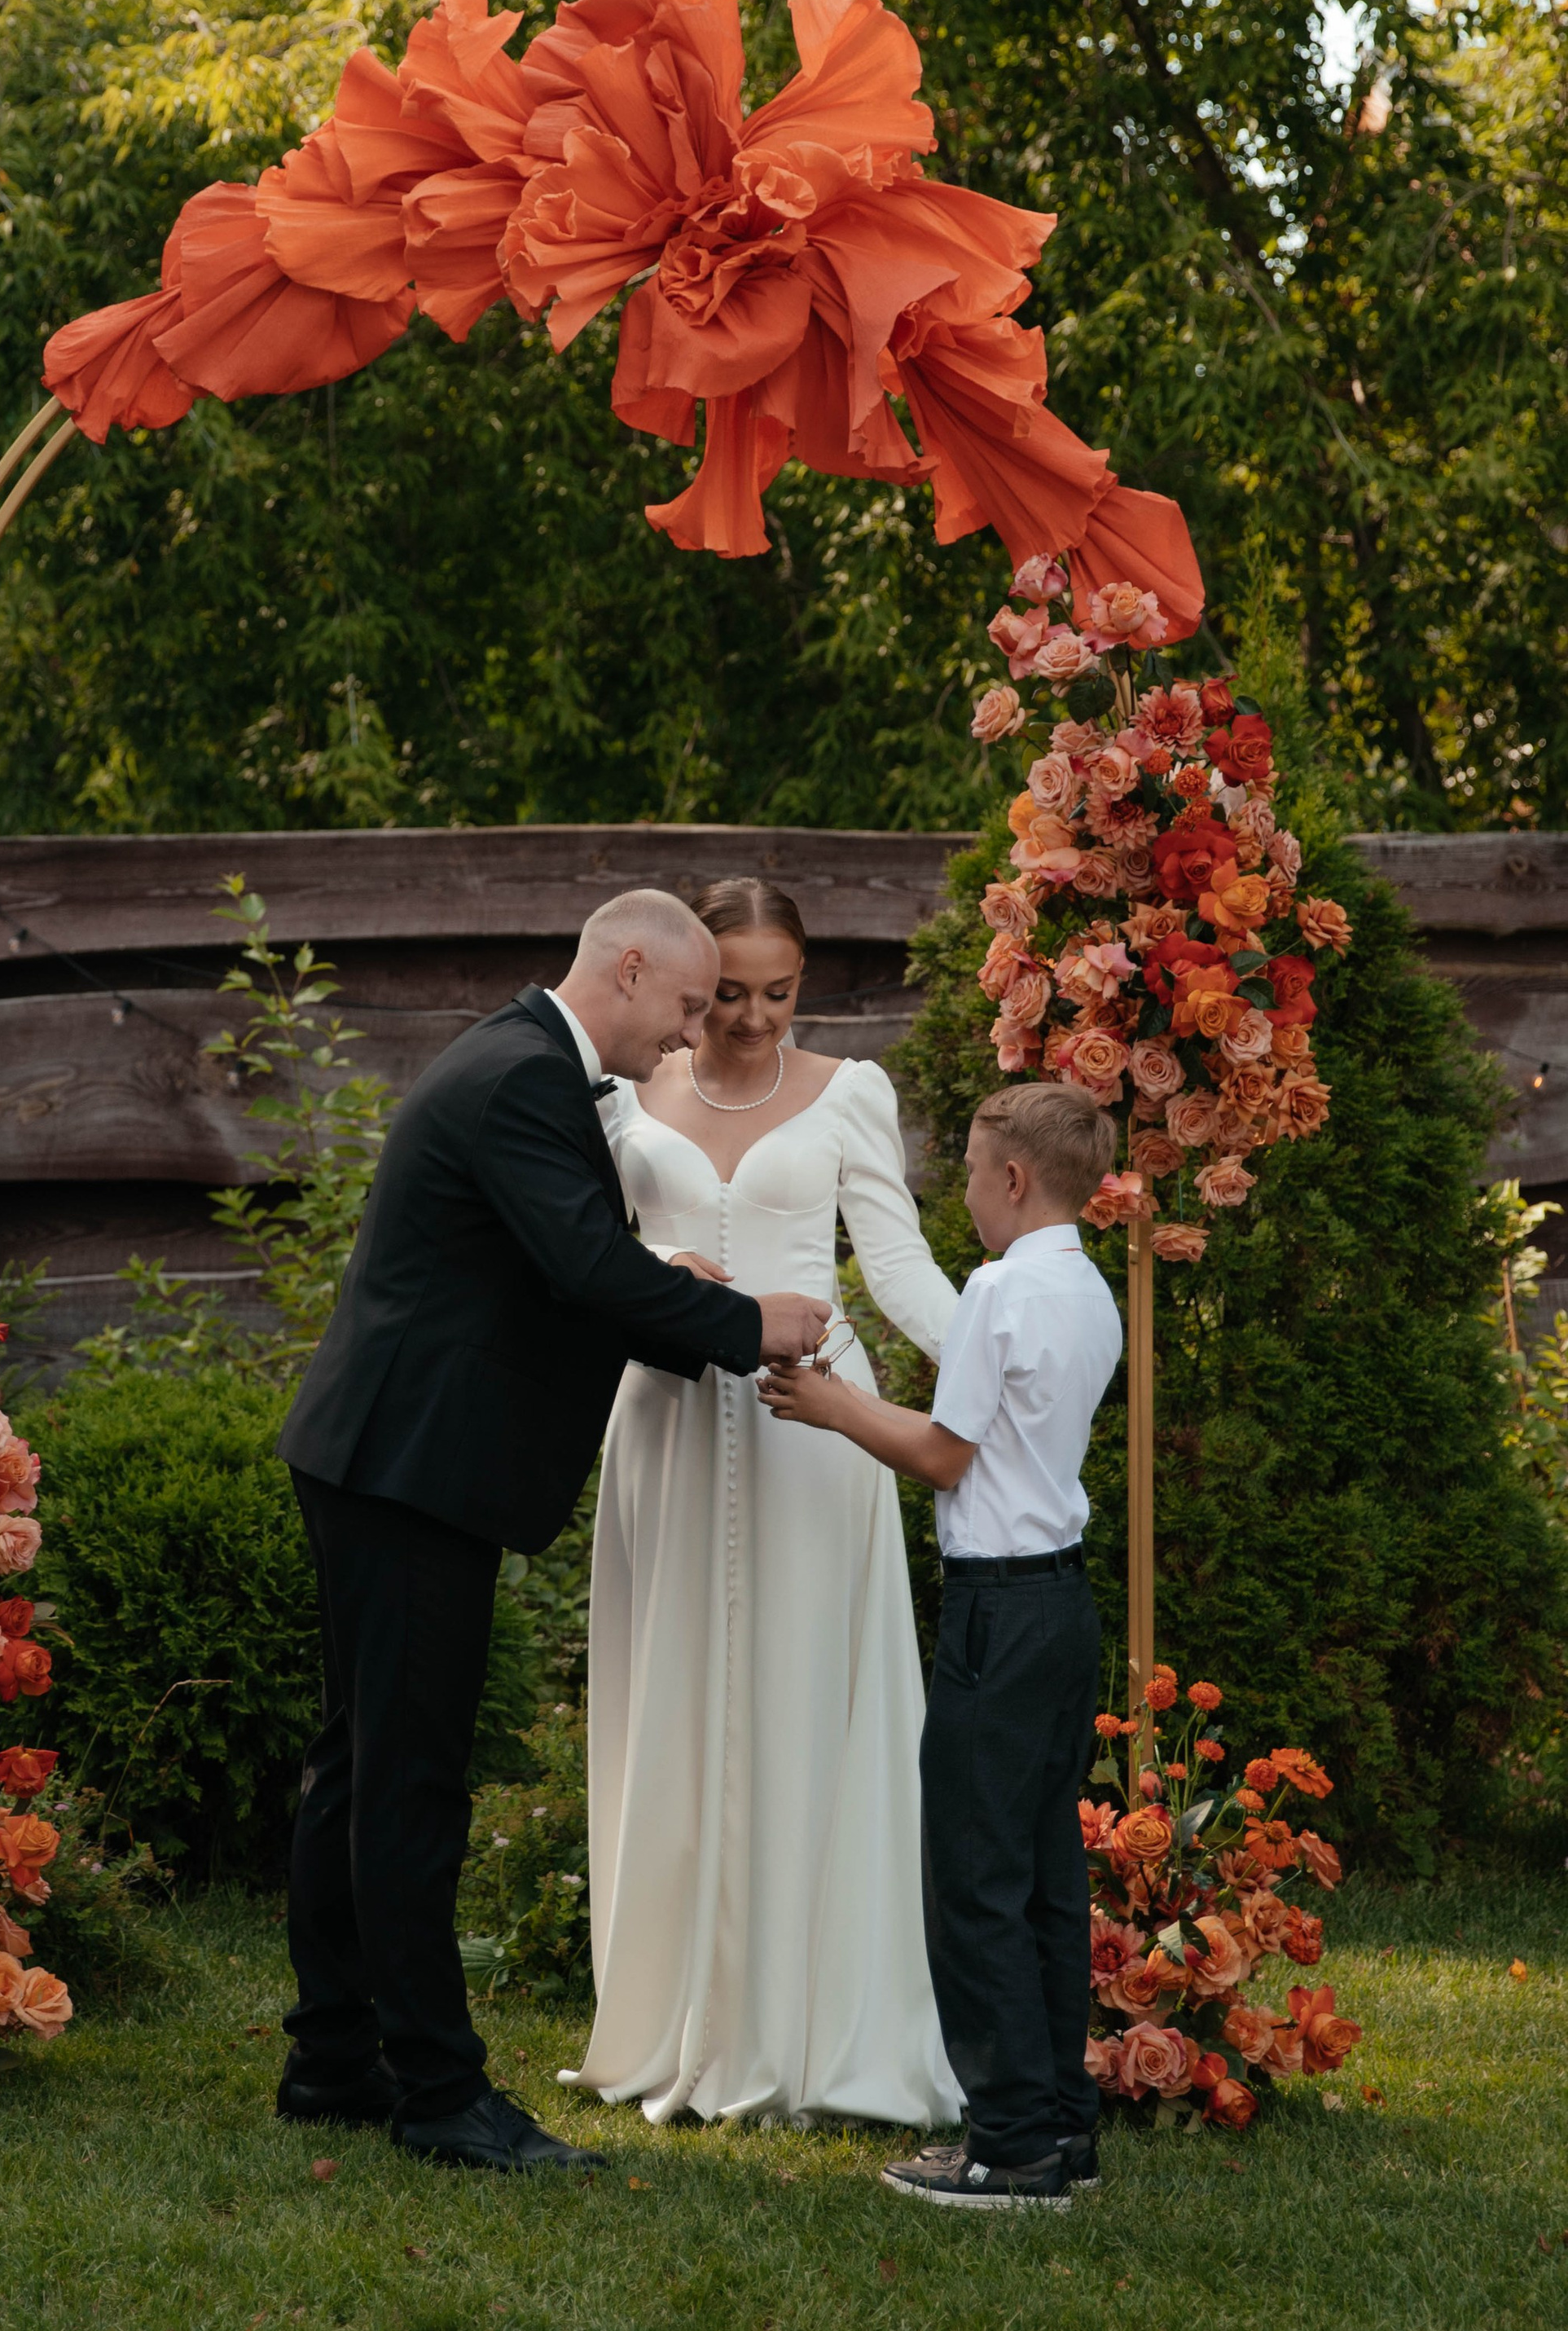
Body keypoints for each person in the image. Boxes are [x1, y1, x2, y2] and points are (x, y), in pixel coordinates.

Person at [274, 888, 833, 2174]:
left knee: (358, 1769)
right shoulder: (526, 1077)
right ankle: (438, 2096)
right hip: (410, 1467)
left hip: (377, 1455)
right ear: (628, 969)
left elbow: (556, 1259)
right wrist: (752, 1325)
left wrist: (662, 1280)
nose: (691, 1040)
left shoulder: (516, 1058)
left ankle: (331, 2058)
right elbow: (585, 1271)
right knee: (406, 1784)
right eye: (688, 1007)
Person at [572, 877, 964, 2129]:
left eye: (777, 992)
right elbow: (583, 1250)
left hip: (816, 1431)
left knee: (811, 1702)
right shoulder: (625, 1094)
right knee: (672, 1701)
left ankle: (820, 2025)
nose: (748, 1018)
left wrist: (1003, 1367)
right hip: (668, 1426)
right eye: (727, 992)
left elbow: (895, 1264)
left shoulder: (853, 1094)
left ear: (808, 980)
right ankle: (675, 2019)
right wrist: (650, 1275)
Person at [758, 1078, 1122, 2211]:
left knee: (976, 1881)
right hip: (1064, 1610)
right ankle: (1063, 2127)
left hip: (997, 1613)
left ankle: (1007, 2146)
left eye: (967, 1172)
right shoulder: (1093, 1291)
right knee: (1047, 1877)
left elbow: (944, 1454)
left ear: (1012, 1178)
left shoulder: (1002, 1288)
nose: (963, 1193)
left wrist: (829, 1407)